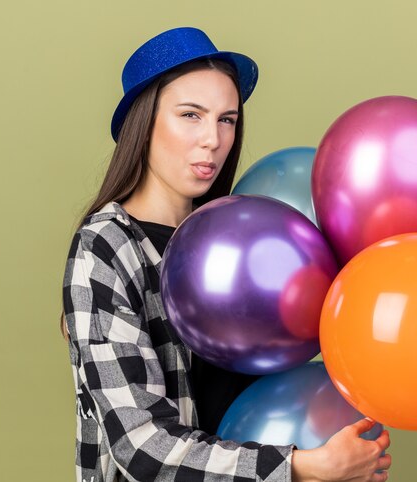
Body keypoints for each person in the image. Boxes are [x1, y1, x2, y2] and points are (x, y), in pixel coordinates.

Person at [62, 27, 392, 482]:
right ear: (144, 122)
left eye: (227, 119)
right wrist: (299, 467)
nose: (213, 140)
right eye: (190, 115)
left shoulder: (249, 237)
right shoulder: (106, 247)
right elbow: (140, 447)